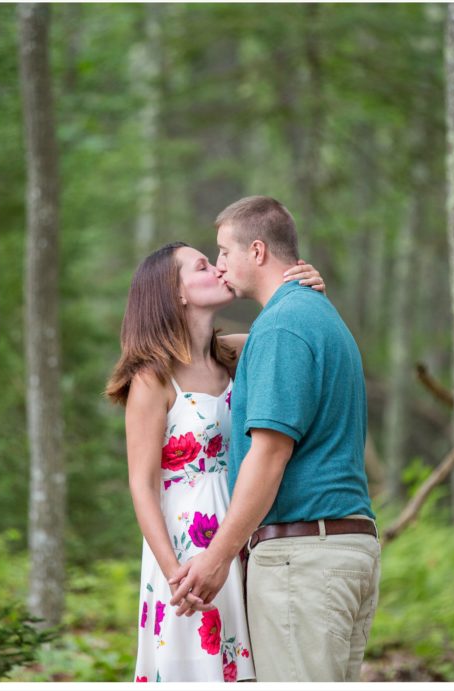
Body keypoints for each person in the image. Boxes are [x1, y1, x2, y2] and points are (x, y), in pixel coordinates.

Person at [168, 196, 381, 682]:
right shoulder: (310, 315)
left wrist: (216, 557)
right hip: (340, 550)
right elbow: (217, 351)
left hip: (303, 560)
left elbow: (268, 455)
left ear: (258, 251)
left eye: (223, 252)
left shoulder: (283, 327)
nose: (220, 266)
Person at [105, 241, 326, 682]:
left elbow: (296, 335)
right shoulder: (153, 377)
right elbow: (142, 484)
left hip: (241, 530)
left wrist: (310, 292)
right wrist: (175, 575)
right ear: (176, 294)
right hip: (185, 546)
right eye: (202, 266)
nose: (218, 269)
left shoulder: (238, 354)